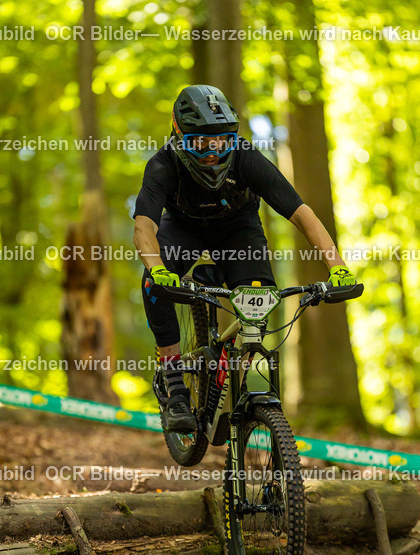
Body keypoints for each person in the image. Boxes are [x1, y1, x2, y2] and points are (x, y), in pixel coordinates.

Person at [133, 84, 355, 432]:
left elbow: (301, 213)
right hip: (183, 229)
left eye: (222, 141)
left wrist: (337, 267)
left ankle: (240, 392)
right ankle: (173, 380)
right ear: (179, 137)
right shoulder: (163, 165)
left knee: (259, 300)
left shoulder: (247, 158)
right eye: (200, 143)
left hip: (237, 230)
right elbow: (144, 226)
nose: (213, 152)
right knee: (153, 285)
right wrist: (158, 269)